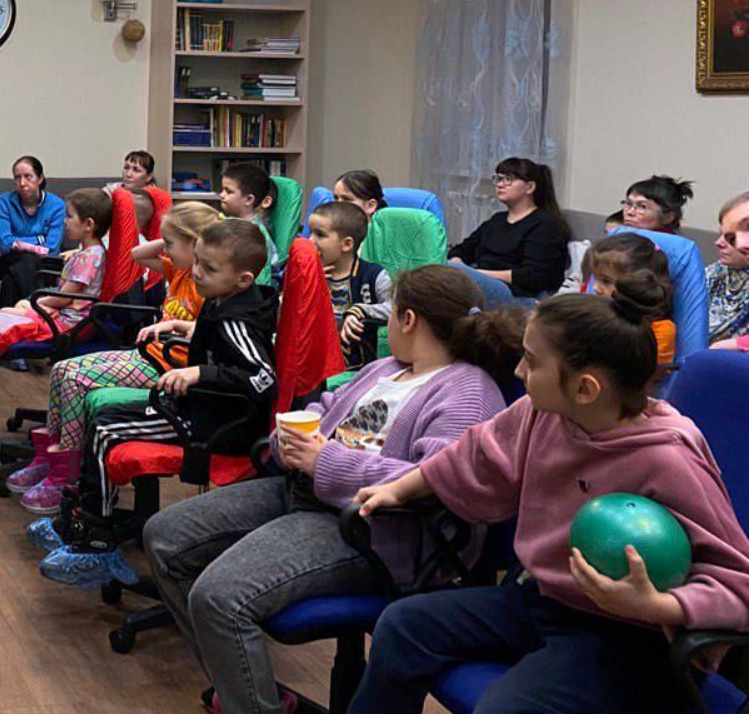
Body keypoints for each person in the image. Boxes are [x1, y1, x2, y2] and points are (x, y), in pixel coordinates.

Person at [348, 279, 749, 714]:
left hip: (623, 632)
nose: (519, 372)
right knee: (403, 625)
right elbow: (474, 454)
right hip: (541, 598)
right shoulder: (541, 413)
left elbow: (737, 582)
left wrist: (657, 605)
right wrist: (399, 487)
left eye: (532, 361)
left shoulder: (667, 459)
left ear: (585, 389)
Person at [142, 265, 524, 714]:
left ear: (408, 319)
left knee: (219, 597)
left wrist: (325, 460)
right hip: (307, 491)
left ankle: (249, 701)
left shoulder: (467, 391)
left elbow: (435, 480)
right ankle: (246, 691)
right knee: (164, 537)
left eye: (392, 312)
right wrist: (292, 441)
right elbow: (323, 412)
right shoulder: (386, 368)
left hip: (371, 528)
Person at [35, 218, 278, 586]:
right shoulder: (223, 300)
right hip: (202, 408)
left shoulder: (237, 321)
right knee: (104, 419)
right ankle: (84, 522)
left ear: (243, 280)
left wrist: (200, 374)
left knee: (105, 430)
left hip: (217, 423)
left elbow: (264, 379)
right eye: (197, 261)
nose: (197, 272)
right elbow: (222, 345)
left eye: (209, 268)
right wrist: (184, 329)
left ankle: (96, 541)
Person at [7, 202, 221, 509]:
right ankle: (49, 457)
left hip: (166, 366)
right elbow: (137, 255)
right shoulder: (178, 269)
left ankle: (67, 476)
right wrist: (170, 239)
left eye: (171, 244)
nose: (166, 250)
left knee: (76, 380)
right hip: (147, 355)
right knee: (62, 369)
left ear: (195, 244)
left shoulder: (204, 283)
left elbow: (209, 329)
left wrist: (193, 242)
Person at [0, 187, 112, 395]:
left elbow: (63, 299)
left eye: (70, 216)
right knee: (19, 307)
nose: (64, 221)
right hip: (69, 317)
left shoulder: (88, 258)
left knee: (5, 315)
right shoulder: (92, 252)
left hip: (68, 325)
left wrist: (40, 303)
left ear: (89, 224)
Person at [448, 157, 570, 306]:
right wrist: (458, 262)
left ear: (530, 187)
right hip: (483, 282)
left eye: (508, 179)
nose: (500, 184)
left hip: (515, 294)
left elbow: (533, 276)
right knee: (437, 268)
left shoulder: (545, 225)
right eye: (498, 179)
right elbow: (462, 249)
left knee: (448, 273)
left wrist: (475, 274)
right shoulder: (497, 220)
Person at [307, 201, 392, 369]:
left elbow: (396, 309)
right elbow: (283, 317)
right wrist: (305, 287)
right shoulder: (307, 273)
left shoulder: (373, 275)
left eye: (320, 235)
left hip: (353, 369)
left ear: (347, 244)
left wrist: (359, 311)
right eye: (310, 233)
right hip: (311, 363)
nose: (310, 241)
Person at [581, 233, 676, 365]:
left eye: (606, 281)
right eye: (594, 278)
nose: (595, 288)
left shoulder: (659, 331)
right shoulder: (592, 313)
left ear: (640, 284)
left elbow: (642, 373)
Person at [0, 155, 67, 308]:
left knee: (10, 281)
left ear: (40, 178)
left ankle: (8, 320)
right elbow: (5, 245)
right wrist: (40, 240)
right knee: (26, 261)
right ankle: (37, 311)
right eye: (17, 178)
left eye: (28, 177)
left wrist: (19, 243)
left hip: (44, 265)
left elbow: (51, 249)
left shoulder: (57, 205)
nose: (22, 183)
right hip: (8, 260)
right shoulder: (4, 201)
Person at [219, 162, 280, 277]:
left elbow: (264, 275)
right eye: (222, 190)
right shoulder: (230, 222)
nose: (222, 195)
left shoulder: (256, 233)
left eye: (228, 191)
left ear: (248, 199)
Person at [709, 191, 749, 348]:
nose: (718, 243)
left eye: (731, 238)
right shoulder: (716, 271)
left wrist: (733, 345)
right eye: (721, 234)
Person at [622, 174, 694, 233]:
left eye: (642, 207)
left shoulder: (675, 245)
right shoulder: (620, 234)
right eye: (628, 203)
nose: (630, 212)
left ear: (668, 217)